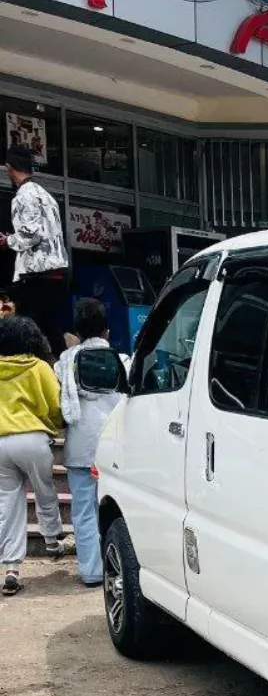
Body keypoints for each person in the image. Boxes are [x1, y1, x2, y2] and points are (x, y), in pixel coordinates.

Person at [56, 298, 126, 588]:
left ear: (77, 330)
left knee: (84, 511)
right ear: (107, 331)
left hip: (80, 449)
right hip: (114, 444)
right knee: (121, 508)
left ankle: (91, 572)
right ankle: (120, 568)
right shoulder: (120, 359)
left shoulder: (65, 361)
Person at [0, 313, 65, 595]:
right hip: (34, 439)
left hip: (0, 442)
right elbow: (55, 404)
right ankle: (52, 540)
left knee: (8, 504)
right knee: (44, 490)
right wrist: (54, 427)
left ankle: (11, 567)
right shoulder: (39, 367)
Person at [1, 144, 70, 355]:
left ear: (10, 168)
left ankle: (31, 374)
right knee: (52, 328)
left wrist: (8, 241)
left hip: (35, 273)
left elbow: (32, 233)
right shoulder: (46, 196)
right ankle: (60, 371)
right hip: (57, 271)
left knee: (27, 331)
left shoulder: (23, 196)